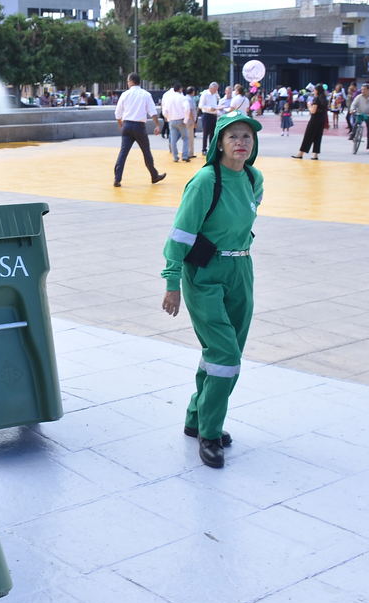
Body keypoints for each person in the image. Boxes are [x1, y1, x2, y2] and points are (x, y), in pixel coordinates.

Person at [160, 111, 264, 469]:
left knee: (221, 353)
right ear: (219, 142)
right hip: (205, 274)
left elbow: (244, 220)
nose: (241, 142)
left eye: (247, 136)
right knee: (226, 356)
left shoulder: (253, 178)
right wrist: (172, 283)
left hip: (241, 269)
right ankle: (210, 433)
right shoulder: (205, 181)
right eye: (233, 136)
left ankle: (196, 417)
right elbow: (180, 234)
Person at [113, 72, 166, 187]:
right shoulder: (145, 94)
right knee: (146, 152)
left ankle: (117, 178)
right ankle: (154, 175)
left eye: (128, 81)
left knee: (123, 153)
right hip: (139, 127)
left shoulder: (125, 94)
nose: (127, 83)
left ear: (132, 82)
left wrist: (121, 124)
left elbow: (118, 113)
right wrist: (157, 125)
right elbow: (152, 111)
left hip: (127, 125)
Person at [292, 84, 327, 160]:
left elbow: (313, 111)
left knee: (309, 135)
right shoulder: (325, 99)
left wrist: (309, 107)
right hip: (322, 118)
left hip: (315, 118)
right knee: (318, 136)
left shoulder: (316, 98)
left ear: (317, 90)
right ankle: (316, 154)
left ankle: (301, 153)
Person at [162, 82, 192, 163]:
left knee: (173, 140)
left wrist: (168, 117)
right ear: (180, 89)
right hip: (181, 120)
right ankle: (184, 155)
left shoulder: (169, 98)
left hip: (172, 120)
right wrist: (185, 120)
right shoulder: (183, 98)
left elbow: (165, 110)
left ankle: (175, 156)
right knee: (185, 137)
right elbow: (187, 109)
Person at [349, 84, 369, 154]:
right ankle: (352, 135)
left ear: (368, 90)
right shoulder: (359, 97)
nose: (363, 91)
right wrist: (352, 109)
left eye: (364, 89)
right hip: (360, 113)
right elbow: (354, 104)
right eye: (362, 89)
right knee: (356, 123)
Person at [197, 82, 220, 156]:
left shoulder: (215, 95)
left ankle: (211, 148)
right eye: (215, 89)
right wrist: (210, 108)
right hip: (207, 115)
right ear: (211, 88)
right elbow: (200, 105)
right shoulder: (205, 94)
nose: (215, 91)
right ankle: (204, 149)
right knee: (206, 133)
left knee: (213, 133)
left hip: (214, 115)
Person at [185, 87, 198, 159]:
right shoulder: (189, 99)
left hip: (187, 121)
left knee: (189, 137)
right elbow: (190, 111)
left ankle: (190, 152)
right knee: (190, 137)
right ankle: (189, 153)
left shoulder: (186, 98)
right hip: (189, 121)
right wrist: (194, 121)